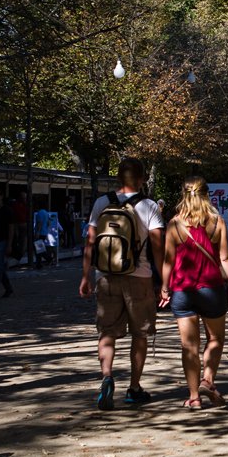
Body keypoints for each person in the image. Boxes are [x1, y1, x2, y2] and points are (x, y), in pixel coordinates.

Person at [78, 158, 165, 410]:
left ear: (118, 178)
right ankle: (134, 388)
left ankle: (107, 377)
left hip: (106, 276)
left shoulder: (101, 203)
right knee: (140, 334)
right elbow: (157, 247)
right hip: (140, 277)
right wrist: (163, 281)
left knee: (107, 332)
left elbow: (90, 242)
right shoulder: (149, 206)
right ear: (142, 179)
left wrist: (85, 276)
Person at [160, 176, 228, 408]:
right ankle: (208, 379)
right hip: (211, 289)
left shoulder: (174, 224)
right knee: (215, 338)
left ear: (183, 195)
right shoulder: (217, 222)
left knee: (189, 346)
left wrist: (164, 288)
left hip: (182, 291)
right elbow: (225, 257)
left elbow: (168, 260)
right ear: (207, 194)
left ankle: (194, 396)